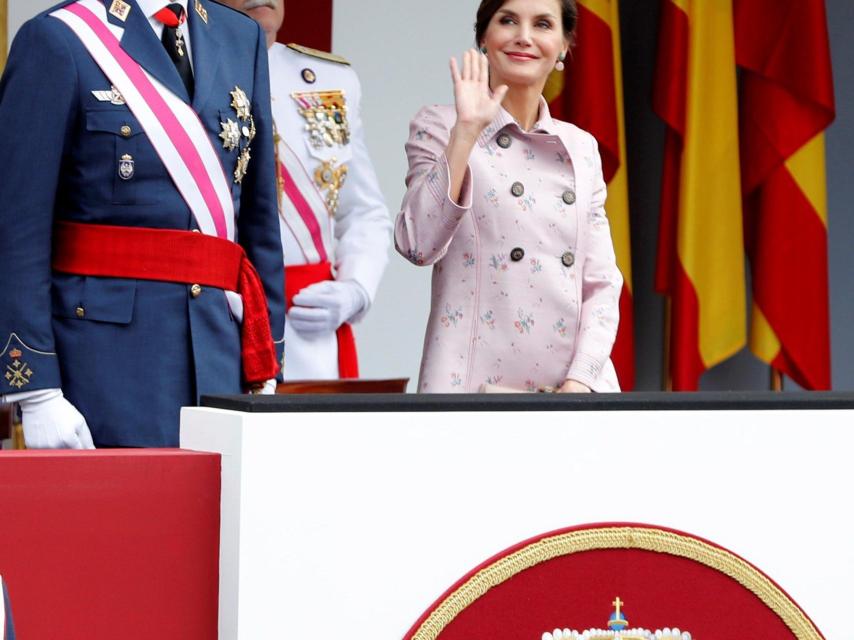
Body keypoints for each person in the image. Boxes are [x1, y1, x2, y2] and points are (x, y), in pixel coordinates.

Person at [0, 0, 285, 448]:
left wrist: (268, 360)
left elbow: (259, 218)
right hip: (105, 364)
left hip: (220, 355)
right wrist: (36, 388)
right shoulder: (60, 37)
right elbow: (17, 228)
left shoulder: (239, 36)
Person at [395, 0, 622, 393]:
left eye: (543, 24)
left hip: (574, 392)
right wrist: (466, 132)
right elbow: (416, 244)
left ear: (564, 46)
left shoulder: (581, 146)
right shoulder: (441, 125)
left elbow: (601, 280)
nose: (524, 37)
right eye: (508, 20)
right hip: (471, 391)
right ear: (484, 37)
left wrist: (581, 381)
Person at [221, 0, 391, 380]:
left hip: (310, 326)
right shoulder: (187, 74)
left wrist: (355, 289)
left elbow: (362, 210)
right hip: (222, 318)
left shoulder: (330, 80)